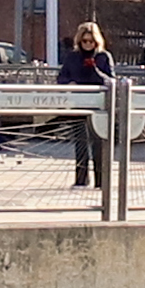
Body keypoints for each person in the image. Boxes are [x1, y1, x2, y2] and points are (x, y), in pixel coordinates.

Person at [58, 20, 115, 189]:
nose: (88, 44)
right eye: (85, 41)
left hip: (98, 105)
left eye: (91, 41)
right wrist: (69, 83)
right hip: (78, 103)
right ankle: (81, 179)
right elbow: (62, 77)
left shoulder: (103, 56)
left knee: (98, 143)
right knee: (80, 142)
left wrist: (96, 69)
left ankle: (101, 181)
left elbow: (111, 79)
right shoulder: (73, 57)